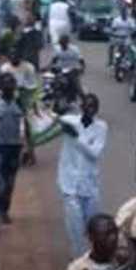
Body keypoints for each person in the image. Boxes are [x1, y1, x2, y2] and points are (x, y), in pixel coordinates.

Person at [57, 94, 108, 258]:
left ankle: (91, 253)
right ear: (82, 107)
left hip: (89, 184)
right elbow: (50, 119)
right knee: (74, 224)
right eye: (87, 106)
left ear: (97, 109)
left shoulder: (101, 127)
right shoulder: (70, 121)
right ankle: (78, 257)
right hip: (69, 182)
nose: (90, 109)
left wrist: (76, 137)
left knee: (91, 223)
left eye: (93, 107)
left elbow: (95, 153)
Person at [0, 71, 34, 236]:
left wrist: (30, 148)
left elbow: (27, 127)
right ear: (0, 85)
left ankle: (4, 210)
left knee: (10, 183)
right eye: (5, 83)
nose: (8, 86)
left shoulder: (20, 104)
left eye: (11, 83)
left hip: (14, 148)